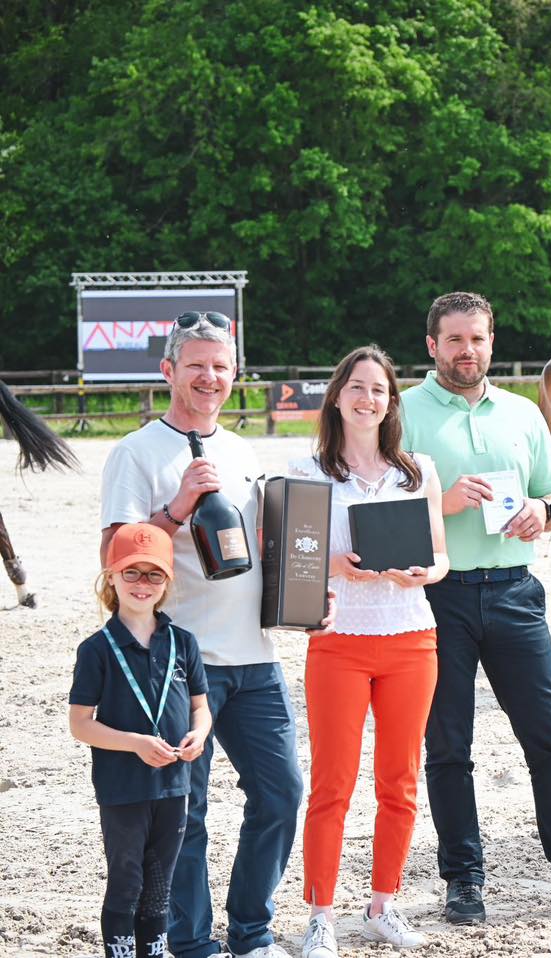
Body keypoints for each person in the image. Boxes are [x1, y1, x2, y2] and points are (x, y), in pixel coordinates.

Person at [400, 291, 551, 923]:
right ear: (432, 346)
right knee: (448, 747)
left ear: (491, 343)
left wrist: (542, 513)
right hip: (435, 597)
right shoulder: (404, 414)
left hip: (514, 594)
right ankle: (463, 880)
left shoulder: (524, 414)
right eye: (454, 340)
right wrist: (441, 503)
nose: (467, 351)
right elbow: (381, 510)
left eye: (477, 339)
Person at [99, 313, 313, 958]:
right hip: (179, 663)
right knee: (185, 814)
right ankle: (192, 944)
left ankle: (250, 933)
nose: (209, 377)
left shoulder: (243, 451)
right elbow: (114, 552)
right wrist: (176, 510)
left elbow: (259, 550)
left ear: (234, 373)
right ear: (168, 372)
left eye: (220, 365)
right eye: (195, 364)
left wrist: (304, 591)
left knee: (281, 795)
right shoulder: (136, 452)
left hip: (255, 658)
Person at [289, 345, 450, 958]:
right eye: (357, 387)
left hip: (412, 637)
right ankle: (320, 913)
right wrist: (333, 565)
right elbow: (290, 559)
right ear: (337, 396)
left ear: (390, 402)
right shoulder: (307, 473)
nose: (367, 398)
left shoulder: (418, 471)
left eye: (379, 389)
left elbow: (440, 558)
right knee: (332, 782)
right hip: (339, 641)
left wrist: (422, 574)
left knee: (400, 782)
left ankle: (382, 906)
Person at [69, 523, 211, 958]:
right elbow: (80, 724)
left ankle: (152, 951)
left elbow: (200, 708)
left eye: (154, 574)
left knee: (159, 885)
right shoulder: (97, 649)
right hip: (122, 787)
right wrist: (134, 742)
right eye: (131, 572)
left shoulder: (182, 642)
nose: (142, 584)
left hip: (174, 783)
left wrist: (199, 736)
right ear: (110, 576)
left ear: (168, 582)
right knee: (126, 879)